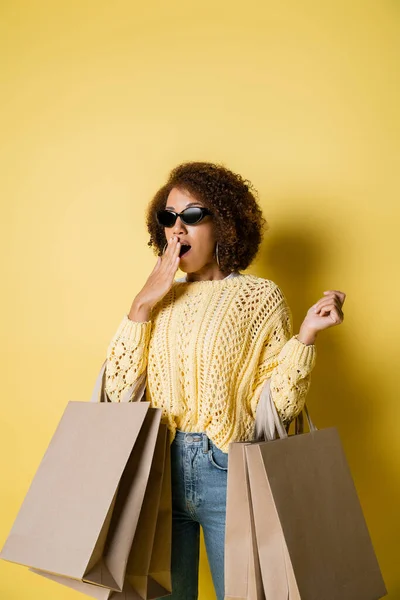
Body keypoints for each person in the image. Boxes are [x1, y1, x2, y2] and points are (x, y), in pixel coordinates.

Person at [104, 161, 346, 600]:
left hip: (227, 470)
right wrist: (142, 302)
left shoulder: (258, 297)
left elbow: (277, 408)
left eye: (193, 216)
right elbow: (118, 396)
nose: (177, 231)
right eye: (168, 217)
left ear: (225, 224)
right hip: (158, 474)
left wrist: (306, 337)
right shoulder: (159, 298)